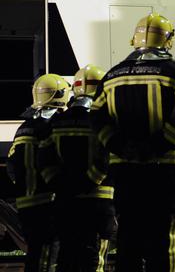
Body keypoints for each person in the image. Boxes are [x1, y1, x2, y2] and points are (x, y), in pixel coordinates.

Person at [91, 13, 175, 272]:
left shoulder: (112, 75)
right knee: (165, 238)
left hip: (125, 169)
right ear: (167, 40)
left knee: (129, 236)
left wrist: (118, 146)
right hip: (166, 168)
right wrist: (162, 143)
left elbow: (96, 116)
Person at [38, 64, 115, 272]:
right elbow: (108, 157)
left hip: (66, 202)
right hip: (98, 203)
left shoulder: (56, 123)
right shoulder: (103, 121)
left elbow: (44, 160)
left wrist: (60, 185)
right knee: (94, 259)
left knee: (67, 258)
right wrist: (89, 182)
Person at [8, 73, 70, 272]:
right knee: (47, 257)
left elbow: (12, 165)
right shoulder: (49, 128)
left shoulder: (23, 128)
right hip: (47, 203)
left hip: (26, 203)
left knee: (36, 255)